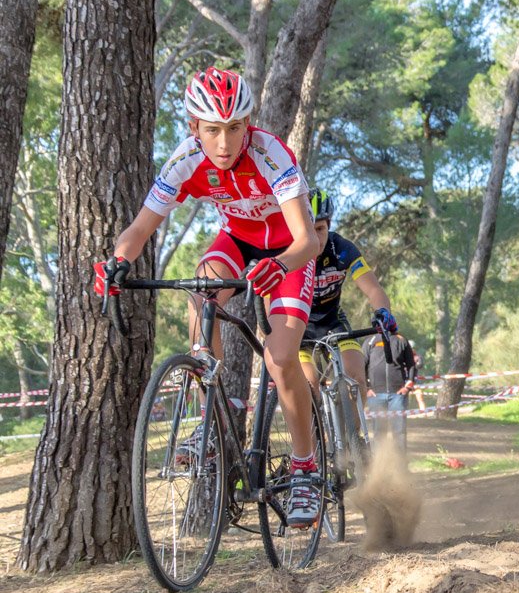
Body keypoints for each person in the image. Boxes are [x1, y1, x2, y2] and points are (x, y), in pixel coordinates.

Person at [93, 67, 321, 525]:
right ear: (193, 127)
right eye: (213, 130)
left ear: (248, 124)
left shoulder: (269, 152)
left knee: (279, 359)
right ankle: (211, 424)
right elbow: (138, 229)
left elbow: (308, 241)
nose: (224, 143)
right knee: (203, 282)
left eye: (235, 128)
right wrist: (118, 261)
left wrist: (278, 265)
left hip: (287, 251)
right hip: (237, 241)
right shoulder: (184, 160)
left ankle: (304, 468)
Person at [299, 188, 400, 427]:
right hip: (299, 328)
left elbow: (373, 289)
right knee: (309, 383)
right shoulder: (291, 250)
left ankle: (355, 437)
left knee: (355, 374)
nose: (316, 237)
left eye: (320, 229)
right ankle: (313, 450)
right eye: (309, 229)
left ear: (329, 225)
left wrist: (383, 312)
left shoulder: (341, 248)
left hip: (332, 321)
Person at [363, 333, 422, 409]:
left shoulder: (401, 339)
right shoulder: (370, 341)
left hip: (398, 394)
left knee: (397, 421)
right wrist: (367, 389)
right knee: (379, 421)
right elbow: (361, 365)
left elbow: (411, 365)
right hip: (375, 394)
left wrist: (407, 387)